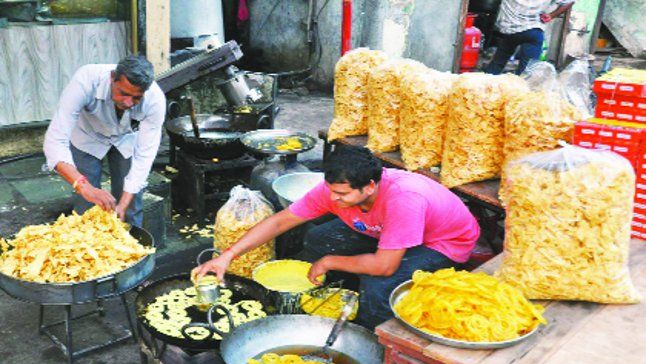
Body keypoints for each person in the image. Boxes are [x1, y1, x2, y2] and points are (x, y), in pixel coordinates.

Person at [194, 147, 480, 329]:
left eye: (341, 195)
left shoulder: (404, 199)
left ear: (369, 187)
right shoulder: (337, 190)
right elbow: (281, 221)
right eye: (331, 190)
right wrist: (227, 255)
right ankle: (334, 299)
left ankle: (373, 338)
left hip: (442, 244)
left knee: (377, 285)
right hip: (385, 231)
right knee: (319, 237)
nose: (332, 199)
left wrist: (330, 262)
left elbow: (385, 267)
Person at [43, 55, 166, 226]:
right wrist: (84, 187)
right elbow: (55, 141)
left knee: (131, 204)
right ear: (112, 78)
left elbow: (144, 156)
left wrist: (122, 204)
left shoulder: (155, 100)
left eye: (136, 98)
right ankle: (86, 246)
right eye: (123, 93)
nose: (129, 102)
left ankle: (131, 246)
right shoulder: (86, 79)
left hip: (126, 138)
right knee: (86, 203)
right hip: (87, 136)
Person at [485, 0, 575, 75]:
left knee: (497, 65)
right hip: (533, 31)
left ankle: (486, 89)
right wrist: (552, 15)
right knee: (527, 72)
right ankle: (521, 93)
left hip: (510, 31)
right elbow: (569, 1)